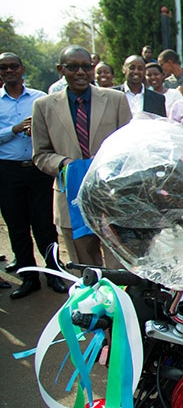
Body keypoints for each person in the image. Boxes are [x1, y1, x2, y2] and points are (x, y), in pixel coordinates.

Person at [31, 46, 132, 268]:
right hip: (71, 199)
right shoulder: (44, 106)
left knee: (120, 268)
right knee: (85, 269)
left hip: (111, 196)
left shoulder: (116, 100)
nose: (80, 72)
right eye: (73, 67)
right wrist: (65, 164)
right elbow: (40, 154)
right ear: (61, 70)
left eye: (86, 67)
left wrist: (107, 160)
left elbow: (129, 146)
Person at [0, 53, 66, 298]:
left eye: (13, 66)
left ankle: (54, 273)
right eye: (3, 67)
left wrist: (37, 132)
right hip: (8, 170)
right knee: (17, 226)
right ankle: (29, 277)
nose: (9, 71)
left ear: (22, 69)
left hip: (38, 170)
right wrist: (14, 129)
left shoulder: (40, 98)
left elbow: (55, 131)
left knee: (45, 225)